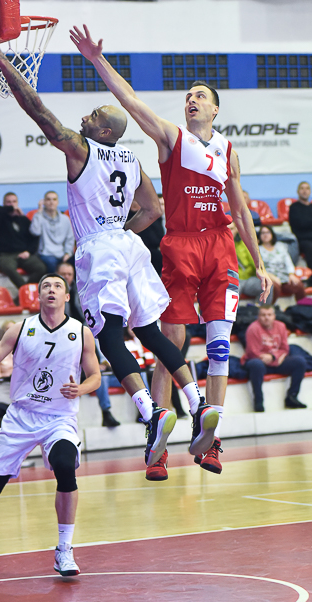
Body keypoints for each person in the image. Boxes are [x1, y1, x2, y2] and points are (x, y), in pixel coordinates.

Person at [0, 45, 219, 474]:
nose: (85, 117)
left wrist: (4, 65)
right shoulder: (130, 158)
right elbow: (152, 210)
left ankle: (150, 411)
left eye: (94, 115)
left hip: (99, 245)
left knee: (108, 335)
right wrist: (120, 233)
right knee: (149, 331)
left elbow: (39, 111)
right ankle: (197, 401)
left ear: (106, 131)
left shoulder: (81, 149)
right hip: (130, 246)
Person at [69, 24, 271, 480]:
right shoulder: (170, 137)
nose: (191, 100)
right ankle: (157, 442)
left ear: (215, 108)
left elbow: (240, 210)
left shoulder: (228, 150)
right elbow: (129, 101)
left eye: (200, 96)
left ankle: (210, 440)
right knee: (171, 345)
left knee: (219, 347)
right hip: (180, 246)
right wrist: (97, 59)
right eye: (188, 96)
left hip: (220, 246)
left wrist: (258, 262)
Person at [0, 273, 101, 579]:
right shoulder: (21, 328)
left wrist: (81, 389)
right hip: (21, 416)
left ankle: (64, 549)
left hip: (59, 418)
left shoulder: (81, 332)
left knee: (65, 466)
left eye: (58, 286)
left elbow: (96, 377)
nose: (52, 290)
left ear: (66, 296)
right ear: (38, 296)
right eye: (46, 286)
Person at [57, 261, 120, 427]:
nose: (66, 277)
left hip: (87, 340)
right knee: (98, 375)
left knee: (138, 374)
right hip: (73, 357)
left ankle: (146, 413)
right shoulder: (55, 299)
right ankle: (106, 412)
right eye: (63, 274)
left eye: (69, 274)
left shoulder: (81, 291)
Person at [242, 305, 307, 412]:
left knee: (300, 362)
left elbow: (285, 348)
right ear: (258, 317)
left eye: (269, 315)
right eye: (263, 315)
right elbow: (253, 352)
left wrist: (273, 357)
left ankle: (292, 396)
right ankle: (258, 401)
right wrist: (274, 358)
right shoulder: (253, 328)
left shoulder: (281, 326)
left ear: (274, 316)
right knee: (256, 365)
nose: (266, 318)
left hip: (275, 360)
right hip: (260, 362)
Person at [0, 192, 47, 288]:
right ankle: (25, 290)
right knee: (9, 268)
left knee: (41, 268)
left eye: (14, 202)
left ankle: (23, 293)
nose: (12, 204)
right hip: (6, 255)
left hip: (23, 254)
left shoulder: (23, 220)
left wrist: (28, 252)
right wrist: (11, 208)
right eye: (8, 202)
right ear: (4, 204)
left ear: (18, 203)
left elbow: (34, 239)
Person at [289, 181, 312, 285]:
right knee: (309, 246)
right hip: (303, 240)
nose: (304, 191)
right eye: (302, 188)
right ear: (298, 191)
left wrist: (307, 222)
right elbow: (299, 225)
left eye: (307, 188)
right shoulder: (294, 208)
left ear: (310, 191)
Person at [258, 225, 306, 303]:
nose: (265, 235)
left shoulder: (280, 246)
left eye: (268, 232)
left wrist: (291, 274)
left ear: (272, 234)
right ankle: (269, 308)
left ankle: (302, 307)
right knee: (274, 287)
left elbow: (288, 261)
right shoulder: (258, 249)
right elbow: (259, 268)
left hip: (283, 276)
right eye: (263, 233)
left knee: (298, 285)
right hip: (268, 277)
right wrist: (271, 277)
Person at [30, 191, 75, 273]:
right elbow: (35, 232)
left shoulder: (65, 219)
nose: (51, 202)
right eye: (48, 199)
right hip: (46, 254)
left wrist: (67, 253)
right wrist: (39, 212)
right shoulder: (39, 217)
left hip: (62, 253)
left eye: (54, 199)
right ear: (44, 202)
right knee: (52, 264)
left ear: (58, 202)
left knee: (76, 262)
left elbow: (70, 239)